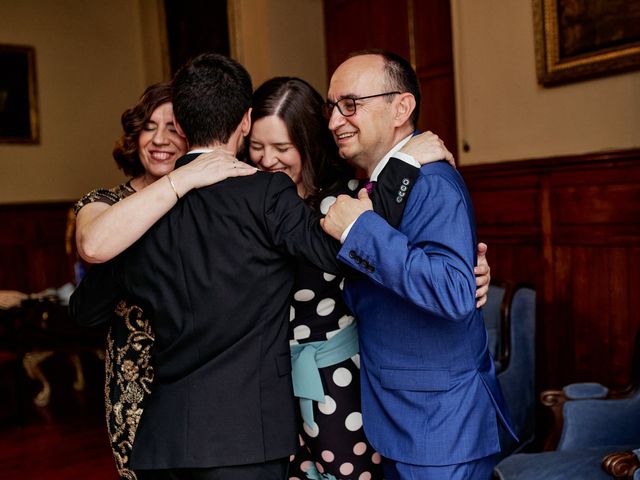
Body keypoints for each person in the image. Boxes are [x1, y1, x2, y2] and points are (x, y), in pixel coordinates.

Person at [70, 53, 423, 480]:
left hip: (162, 442)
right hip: (248, 440)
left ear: (180, 126)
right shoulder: (267, 195)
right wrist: (403, 167)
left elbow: (85, 310)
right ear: (245, 121)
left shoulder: (140, 215)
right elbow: (343, 249)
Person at [248, 77, 492, 480]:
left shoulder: (354, 196)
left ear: (307, 142)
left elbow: (398, 250)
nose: (267, 160)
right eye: (257, 148)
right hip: (266, 380)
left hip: (339, 376)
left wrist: (469, 271)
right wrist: (405, 161)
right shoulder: (248, 199)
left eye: (281, 148)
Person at [320, 50, 516, 480]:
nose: (335, 120)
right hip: (405, 416)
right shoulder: (376, 183)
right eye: (331, 107)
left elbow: (452, 291)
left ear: (401, 107)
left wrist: (359, 230)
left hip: (438, 423)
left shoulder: (432, 182)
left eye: (350, 105)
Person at [72, 82, 256, 479]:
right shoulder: (104, 201)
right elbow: (92, 244)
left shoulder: (218, 202)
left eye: (173, 127)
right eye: (149, 127)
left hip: (212, 375)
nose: (159, 139)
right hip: (138, 379)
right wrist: (179, 181)